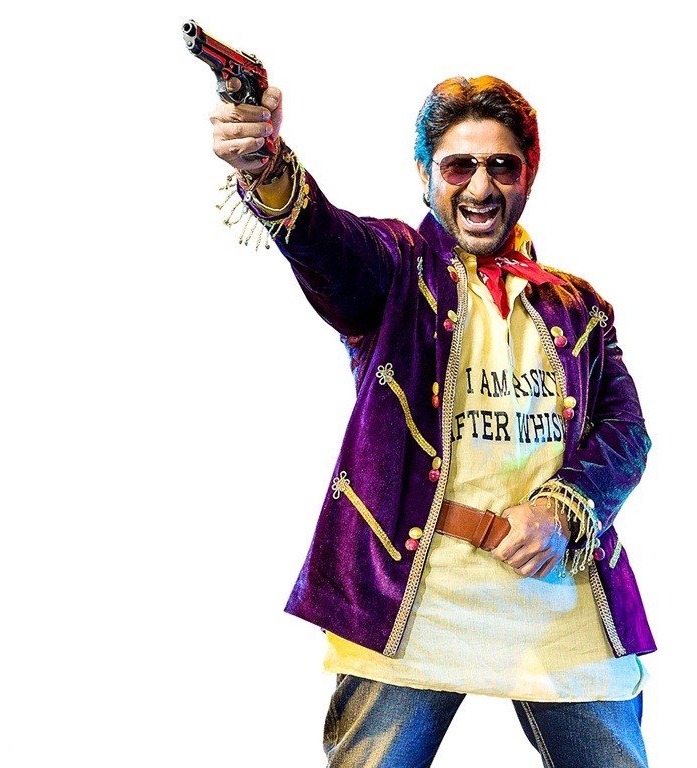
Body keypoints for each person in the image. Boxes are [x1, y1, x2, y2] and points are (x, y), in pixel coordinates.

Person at [206, 75, 656, 767]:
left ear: (528, 174)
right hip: (411, 602)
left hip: (559, 607)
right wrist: (268, 167)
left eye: (501, 166)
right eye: (458, 166)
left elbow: (626, 433)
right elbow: (331, 245)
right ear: (424, 173)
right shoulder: (397, 270)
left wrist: (562, 508)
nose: (481, 187)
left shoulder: (579, 306)